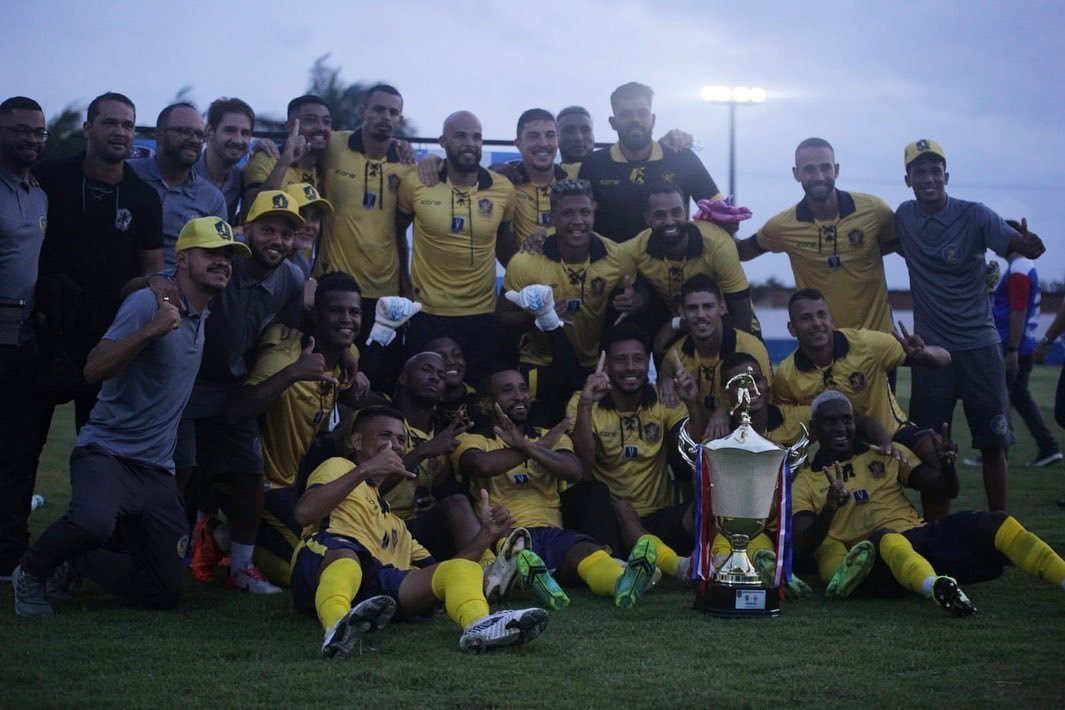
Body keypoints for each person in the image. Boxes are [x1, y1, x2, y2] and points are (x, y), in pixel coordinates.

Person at [12, 217, 248, 616]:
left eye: (227, 255)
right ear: (184, 259)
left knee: (165, 592)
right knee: (92, 524)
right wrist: (151, 330)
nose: (223, 261)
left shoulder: (202, 313)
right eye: (211, 253)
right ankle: (31, 571)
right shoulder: (150, 304)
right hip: (106, 452)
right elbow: (93, 368)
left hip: (156, 469)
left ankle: (79, 562)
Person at [290, 405, 548, 657]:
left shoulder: (394, 523)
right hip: (324, 565)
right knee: (347, 556)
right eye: (385, 435)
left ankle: (480, 625)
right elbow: (304, 513)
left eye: (401, 439)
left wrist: (486, 535)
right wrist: (366, 469)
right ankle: (337, 626)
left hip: (376, 590)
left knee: (462, 569)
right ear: (356, 442)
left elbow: (443, 575)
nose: (396, 444)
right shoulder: (340, 467)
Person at [792, 390, 1065, 615]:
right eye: (830, 422)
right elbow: (804, 545)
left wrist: (947, 467)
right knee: (887, 538)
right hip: (873, 563)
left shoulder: (888, 454)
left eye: (846, 419)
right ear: (814, 429)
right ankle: (938, 589)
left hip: (920, 538)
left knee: (996, 521)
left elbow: (946, 490)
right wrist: (830, 508)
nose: (841, 428)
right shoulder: (805, 480)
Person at [887, 139, 1046, 513]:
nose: (928, 177)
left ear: (946, 175)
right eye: (919, 171)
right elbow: (886, 243)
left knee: (994, 444)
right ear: (907, 179)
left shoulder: (975, 215)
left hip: (979, 348)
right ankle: (937, 533)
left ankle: (999, 527)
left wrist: (1031, 244)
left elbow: (1018, 245)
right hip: (929, 355)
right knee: (930, 448)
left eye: (934, 170)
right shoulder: (905, 216)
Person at [176, 190, 307, 593]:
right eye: (267, 229)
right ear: (244, 229)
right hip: (185, 382)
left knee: (252, 473)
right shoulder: (222, 261)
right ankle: (171, 555)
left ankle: (242, 568)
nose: (277, 240)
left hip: (233, 385)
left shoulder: (293, 276)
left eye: (286, 234)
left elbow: (293, 321)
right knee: (181, 472)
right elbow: (166, 282)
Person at [454, 368, 662, 609]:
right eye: (507, 390)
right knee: (518, 552)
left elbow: (574, 470)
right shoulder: (475, 441)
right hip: (505, 533)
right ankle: (533, 581)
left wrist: (529, 446)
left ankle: (621, 582)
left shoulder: (551, 436)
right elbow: (483, 465)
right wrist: (536, 447)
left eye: (523, 388)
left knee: (588, 552)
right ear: (488, 403)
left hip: (552, 529)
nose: (519, 395)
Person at [225, 271, 365, 585]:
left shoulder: (347, 354)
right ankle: (230, 545)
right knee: (311, 568)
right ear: (315, 314)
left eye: (354, 312)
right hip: (264, 489)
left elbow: (349, 354)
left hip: (295, 484)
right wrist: (292, 374)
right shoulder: (283, 355)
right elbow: (235, 412)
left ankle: (228, 535)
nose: (347, 319)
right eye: (336, 311)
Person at [568, 324, 708, 579]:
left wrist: (693, 402)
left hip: (658, 517)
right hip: (610, 525)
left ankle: (726, 558)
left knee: (706, 501)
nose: (631, 367)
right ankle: (677, 567)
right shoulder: (584, 400)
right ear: (606, 365)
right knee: (621, 507)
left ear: (648, 363)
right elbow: (583, 465)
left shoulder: (663, 399)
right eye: (621, 360)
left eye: (638, 359)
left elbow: (695, 450)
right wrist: (587, 405)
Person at [497, 178, 635, 424]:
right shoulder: (526, 260)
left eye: (585, 212)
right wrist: (537, 317)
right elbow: (502, 317)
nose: (577, 221)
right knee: (541, 433)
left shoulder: (617, 256)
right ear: (553, 216)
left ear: (593, 213)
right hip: (540, 364)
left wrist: (636, 299)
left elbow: (636, 295)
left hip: (594, 365)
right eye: (568, 213)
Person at [395, 111, 517, 384]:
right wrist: (403, 281)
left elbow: (505, 245)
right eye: (460, 136)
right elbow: (395, 231)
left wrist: (527, 280)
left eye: (476, 137)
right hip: (426, 312)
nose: (470, 143)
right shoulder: (417, 181)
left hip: (480, 313)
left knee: (477, 393)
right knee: (424, 391)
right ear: (443, 141)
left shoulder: (503, 189)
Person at [734, 138, 895, 332]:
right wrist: (714, 226)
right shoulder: (783, 226)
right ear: (796, 174)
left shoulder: (875, 210)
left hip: (879, 347)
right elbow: (742, 251)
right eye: (809, 169)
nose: (819, 176)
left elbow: (903, 247)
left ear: (836, 169)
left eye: (825, 168)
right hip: (824, 347)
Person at [0, 96, 49, 580]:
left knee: (19, 452)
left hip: (23, 340)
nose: (31, 139)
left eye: (38, 132)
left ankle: (9, 553)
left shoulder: (38, 190)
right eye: (20, 130)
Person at [578, 82, 722, 243]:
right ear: (613, 122)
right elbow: (580, 224)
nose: (635, 120)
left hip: (671, 264)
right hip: (614, 265)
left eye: (642, 113)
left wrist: (696, 245)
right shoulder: (594, 165)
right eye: (626, 114)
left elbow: (720, 212)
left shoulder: (683, 159)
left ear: (653, 120)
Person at [625, 184, 757, 349]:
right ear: (647, 218)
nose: (669, 221)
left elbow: (741, 314)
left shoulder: (718, 243)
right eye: (660, 215)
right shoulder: (633, 250)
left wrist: (727, 358)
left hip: (734, 325)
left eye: (676, 212)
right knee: (662, 353)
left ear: (686, 212)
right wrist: (637, 298)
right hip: (686, 328)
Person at [129, 102, 227, 269]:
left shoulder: (212, 198)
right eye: (184, 131)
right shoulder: (129, 175)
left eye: (199, 134)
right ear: (159, 135)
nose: (194, 140)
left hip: (182, 288)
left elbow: (216, 257)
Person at [990, 240, 1060, 466]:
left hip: (1013, 346)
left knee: (1001, 398)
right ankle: (1047, 446)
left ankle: (997, 453)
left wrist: (1012, 349)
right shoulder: (1023, 267)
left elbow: (1018, 310)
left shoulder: (1019, 269)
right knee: (1018, 396)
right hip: (1022, 344)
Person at [656, 275, 770, 414]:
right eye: (692, 308)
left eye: (708, 307)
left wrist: (727, 411)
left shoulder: (752, 348)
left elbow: (766, 403)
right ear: (682, 312)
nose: (701, 315)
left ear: (722, 308)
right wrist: (664, 381)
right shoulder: (674, 357)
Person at [242, 95, 331, 212]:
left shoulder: (329, 163)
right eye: (311, 120)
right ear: (289, 126)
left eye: (326, 122)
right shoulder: (266, 158)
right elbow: (250, 209)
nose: (321, 127)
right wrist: (285, 162)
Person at [195, 97, 270, 222]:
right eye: (230, 130)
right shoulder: (184, 174)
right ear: (209, 131)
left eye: (245, 133)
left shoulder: (239, 178)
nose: (238, 140)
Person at [283, 181, 332, 279]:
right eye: (301, 215)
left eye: (315, 217)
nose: (309, 225)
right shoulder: (248, 253)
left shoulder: (302, 265)